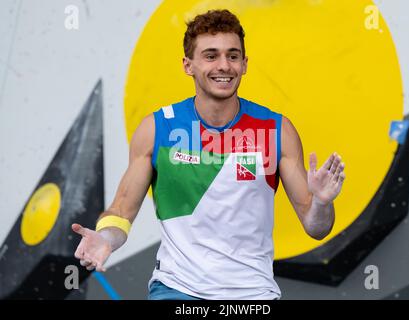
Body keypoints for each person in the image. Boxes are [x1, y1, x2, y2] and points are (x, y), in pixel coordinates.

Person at [72, 9, 345, 300]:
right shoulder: (157, 129)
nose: (224, 66)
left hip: (253, 296)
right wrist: (105, 239)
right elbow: (121, 211)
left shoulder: (278, 130)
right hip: (176, 290)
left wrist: (322, 202)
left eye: (233, 55)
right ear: (188, 65)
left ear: (245, 64)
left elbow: (316, 227)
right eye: (211, 56)